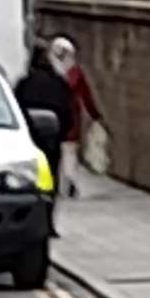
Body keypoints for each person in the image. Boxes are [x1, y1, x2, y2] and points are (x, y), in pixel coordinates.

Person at [14, 40, 74, 237]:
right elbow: (67, 111)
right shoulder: (58, 83)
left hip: (29, 143)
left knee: (31, 183)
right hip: (51, 142)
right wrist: (62, 133)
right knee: (50, 183)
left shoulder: (24, 83)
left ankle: (29, 221)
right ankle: (48, 222)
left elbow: (16, 112)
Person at [49, 36, 104, 198]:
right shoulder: (75, 72)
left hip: (56, 115)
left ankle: (60, 181)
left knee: (59, 150)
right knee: (69, 151)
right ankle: (69, 180)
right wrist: (94, 114)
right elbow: (85, 95)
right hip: (71, 115)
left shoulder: (49, 72)